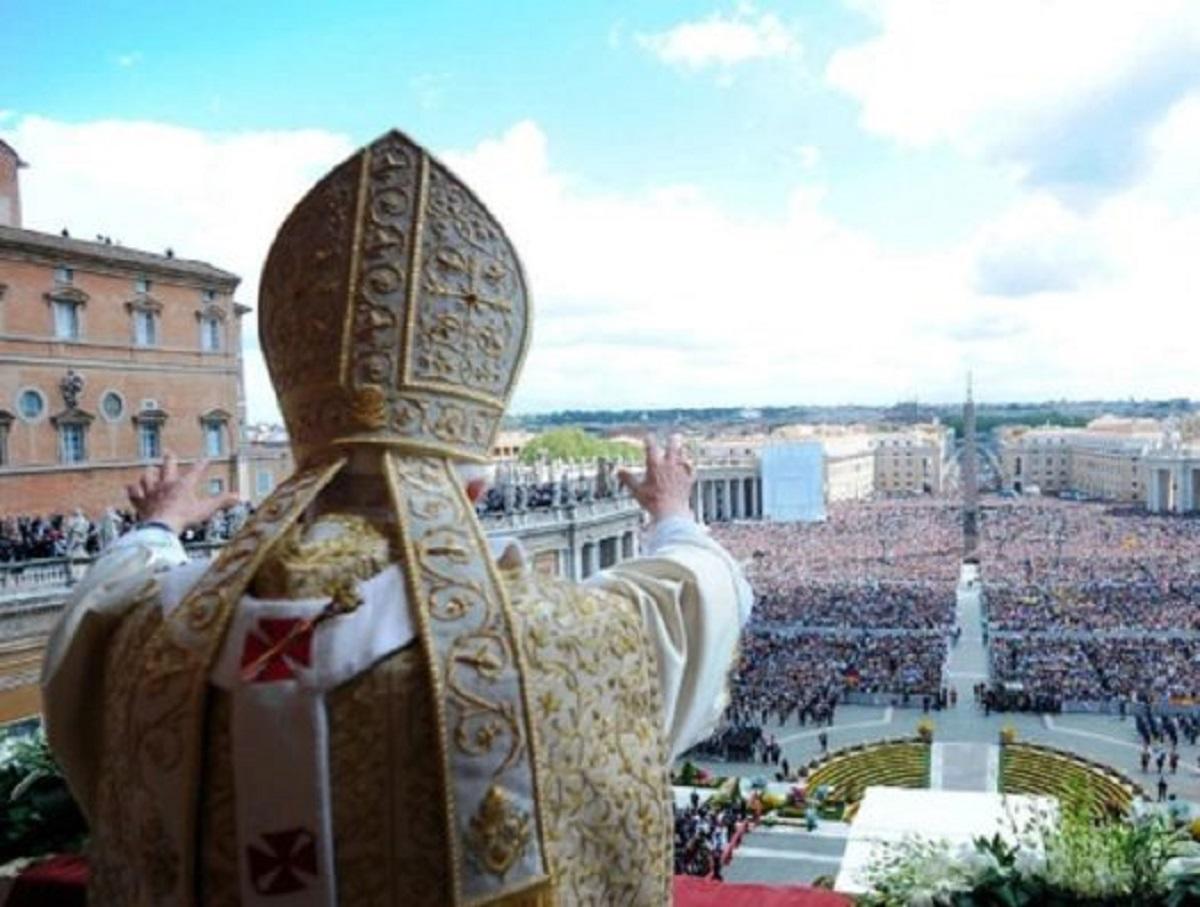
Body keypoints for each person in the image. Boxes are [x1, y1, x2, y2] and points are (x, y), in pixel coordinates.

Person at [40, 129, 753, 907]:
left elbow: (96, 617)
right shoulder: (562, 639)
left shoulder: (153, 638)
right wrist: (674, 512)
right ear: (472, 493)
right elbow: (694, 597)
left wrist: (156, 528)